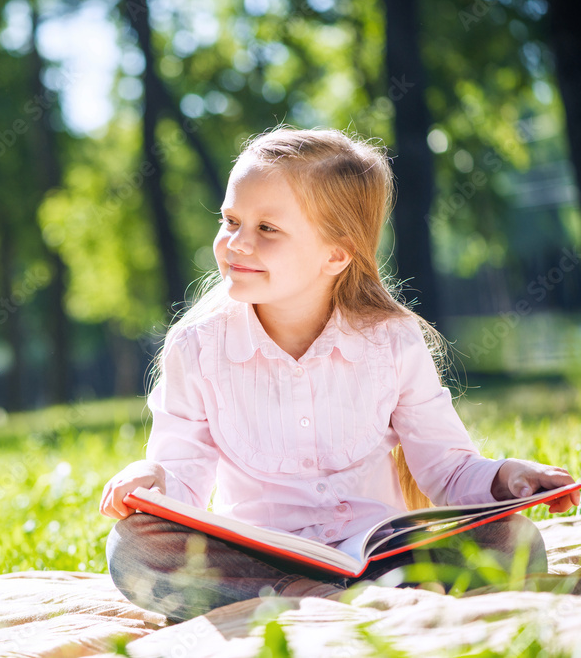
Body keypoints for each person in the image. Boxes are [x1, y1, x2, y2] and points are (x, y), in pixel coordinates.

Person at [99, 127, 579, 623]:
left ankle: (357, 593)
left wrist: (508, 478)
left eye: (267, 229)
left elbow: (450, 470)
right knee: (134, 549)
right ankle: (316, 595)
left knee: (512, 541)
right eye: (231, 220)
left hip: (381, 550)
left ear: (335, 254)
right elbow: (182, 478)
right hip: (258, 559)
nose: (236, 243)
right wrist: (152, 478)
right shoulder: (197, 346)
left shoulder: (391, 340)